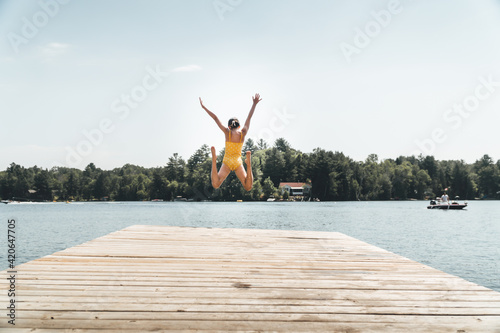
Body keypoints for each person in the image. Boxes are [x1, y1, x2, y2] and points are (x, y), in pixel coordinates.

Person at [199, 93, 262, 191]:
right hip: (238, 161)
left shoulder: (227, 132)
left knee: (216, 184)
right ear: (239, 126)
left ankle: (214, 160)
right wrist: (254, 104)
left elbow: (215, 118)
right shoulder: (243, 133)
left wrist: (204, 107)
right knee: (248, 187)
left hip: (227, 161)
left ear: (229, 127)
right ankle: (248, 164)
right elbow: (249, 118)